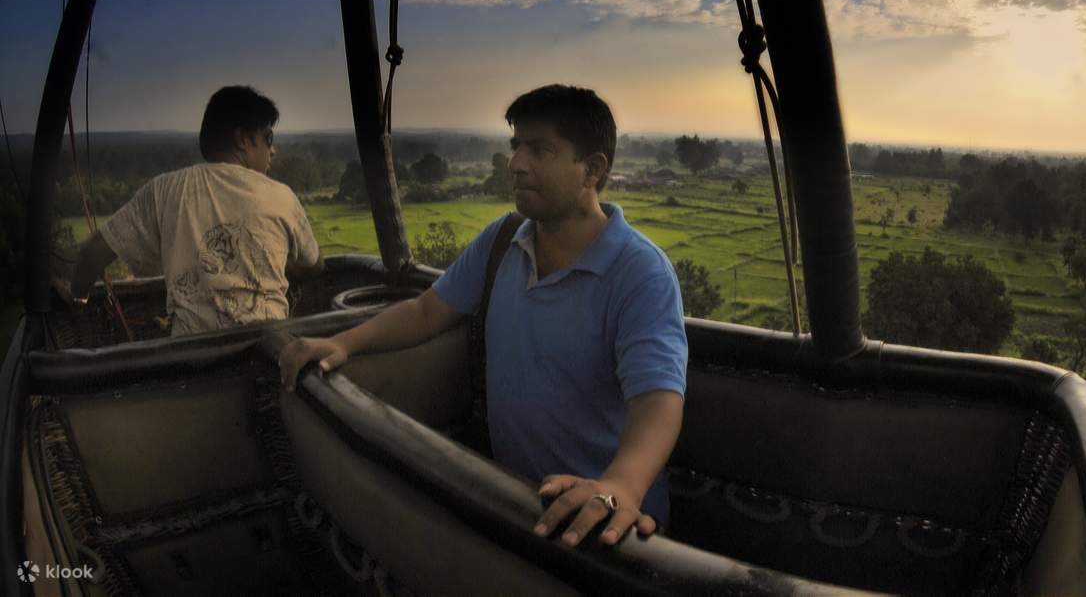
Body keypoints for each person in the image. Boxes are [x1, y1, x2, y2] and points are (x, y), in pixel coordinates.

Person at [278, 84, 687, 548]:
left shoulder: (640, 272)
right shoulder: (504, 240)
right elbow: (427, 310)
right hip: (519, 503)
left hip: (607, 526)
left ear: (592, 169)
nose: (517, 162)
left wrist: (621, 487)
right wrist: (343, 343)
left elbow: (657, 402)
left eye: (540, 149)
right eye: (516, 146)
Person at [60, 85, 321, 335]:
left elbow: (93, 253)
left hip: (192, 357)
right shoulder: (281, 196)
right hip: (267, 350)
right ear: (243, 139)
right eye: (268, 138)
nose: (272, 150)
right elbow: (314, 263)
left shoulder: (164, 189)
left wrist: (78, 299)